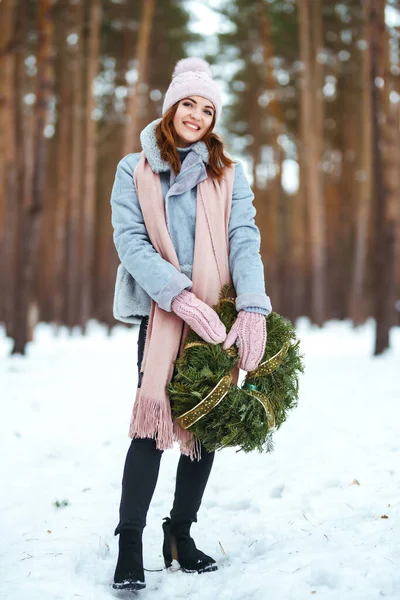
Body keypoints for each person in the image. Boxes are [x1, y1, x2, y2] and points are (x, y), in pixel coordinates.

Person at [110, 57, 272, 592]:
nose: (197, 115)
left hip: (218, 312)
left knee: (206, 424)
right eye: (189, 104)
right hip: (163, 312)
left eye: (208, 108)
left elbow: (243, 238)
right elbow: (130, 242)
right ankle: (130, 542)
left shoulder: (229, 173)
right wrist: (178, 297)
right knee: (151, 426)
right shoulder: (134, 169)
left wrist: (250, 305)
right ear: (171, 107)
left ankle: (179, 533)